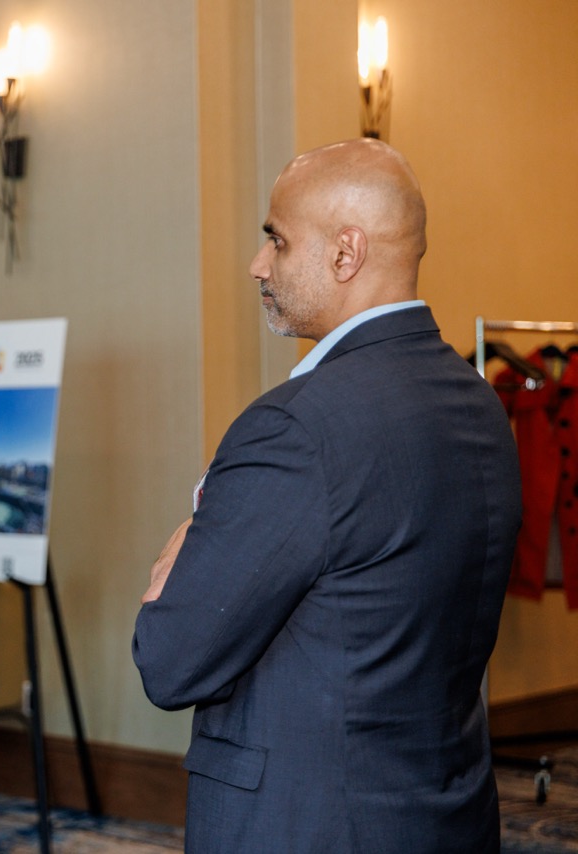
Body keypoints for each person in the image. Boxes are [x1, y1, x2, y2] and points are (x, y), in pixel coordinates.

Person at [131, 139, 522, 853]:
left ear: (346, 254)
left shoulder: (295, 427)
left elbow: (170, 660)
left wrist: (190, 531)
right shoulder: (477, 402)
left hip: (310, 826)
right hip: (445, 817)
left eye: (277, 240)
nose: (259, 264)